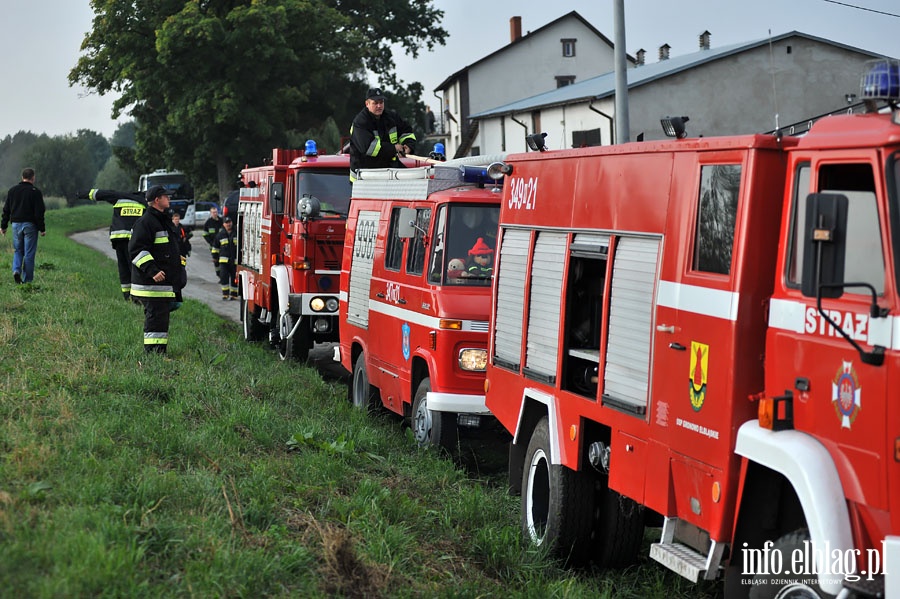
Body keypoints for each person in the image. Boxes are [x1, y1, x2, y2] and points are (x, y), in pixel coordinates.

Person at [129, 185, 187, 354]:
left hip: (161, 285)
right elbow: (137, 250)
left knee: (160, 320)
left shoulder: (161, 220)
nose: (168, 199)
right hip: (151, 285)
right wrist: (152, 270)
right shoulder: (146, 222)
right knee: (155, 320)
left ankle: (158, 352)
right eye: (165, 196)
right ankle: (154, 355)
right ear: (157, 200)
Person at [78, 188, 146, 300]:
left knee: (123, 267)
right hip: (134, 241)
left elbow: (99, 194)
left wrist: (81, 194)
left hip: (118, 239)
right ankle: (137, 297)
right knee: (134, 267)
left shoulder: (119, 196)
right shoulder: (144, 202)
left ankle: (127, 295)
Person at [348, 88, 417, 181]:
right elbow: (369, 148)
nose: (379, 106)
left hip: (387, 170)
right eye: (375, 103)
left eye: (381, 102)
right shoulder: (360, 122)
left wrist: (408, 146)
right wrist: (394, 148)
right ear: (367, 104)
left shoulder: (392, 117)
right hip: (364, 176)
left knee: (412, 181)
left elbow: (406, 132)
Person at [1, 168, 46, 284]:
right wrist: (42, 228)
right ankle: (27, 281)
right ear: (33, 178)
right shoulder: (35, 192)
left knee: (18, 250)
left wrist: (3, 226)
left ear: (22, 177)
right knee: (29, 253)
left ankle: (16, 270)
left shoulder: (13, 191)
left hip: (15, 225)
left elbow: (6, 210)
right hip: (30, 226)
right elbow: (39, 212)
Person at [214, 216, 238, 300]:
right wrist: (215, 258)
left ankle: (234, 294)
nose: (228, 224)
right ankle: (225, 294)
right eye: (226, 223)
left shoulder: (237, 233)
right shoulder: (220, 235)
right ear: (223, 224)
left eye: (229, 222)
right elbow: (215, 248)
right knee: (224, 277)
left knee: (234, 278)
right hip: (223, 261)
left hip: (235, 261)